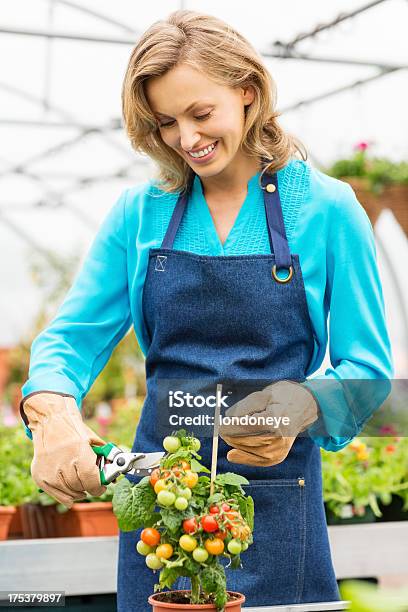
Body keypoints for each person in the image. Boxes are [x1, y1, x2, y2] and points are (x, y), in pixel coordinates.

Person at [20, 9, 393, 611]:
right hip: (160, 508)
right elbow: (71, 338)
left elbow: (367, 366)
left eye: (200, 114)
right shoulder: (139, 212)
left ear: (247, 91)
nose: (185, 139)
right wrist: (52, 413)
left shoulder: (326, 208)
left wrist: (301, 406)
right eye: (166, 122)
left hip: (274, 496)